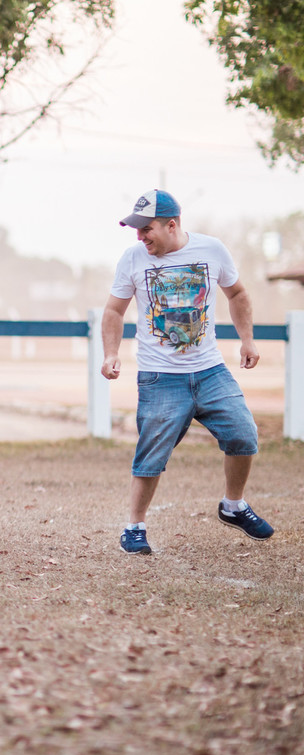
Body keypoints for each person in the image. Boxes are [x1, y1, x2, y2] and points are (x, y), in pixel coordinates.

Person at [102, 189, 274, 555]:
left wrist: (248, 340)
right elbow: (114, 311)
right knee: (151, 455)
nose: (140, 237)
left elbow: (238, 293)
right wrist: (111, 353)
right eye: (136, 230)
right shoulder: (132, 259)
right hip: (160, 376)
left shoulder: (212, 250)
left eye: (145, 229)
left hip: (210, 370)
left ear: (171, 224)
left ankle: (233, 506)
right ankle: (134, 527)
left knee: (244, 434)